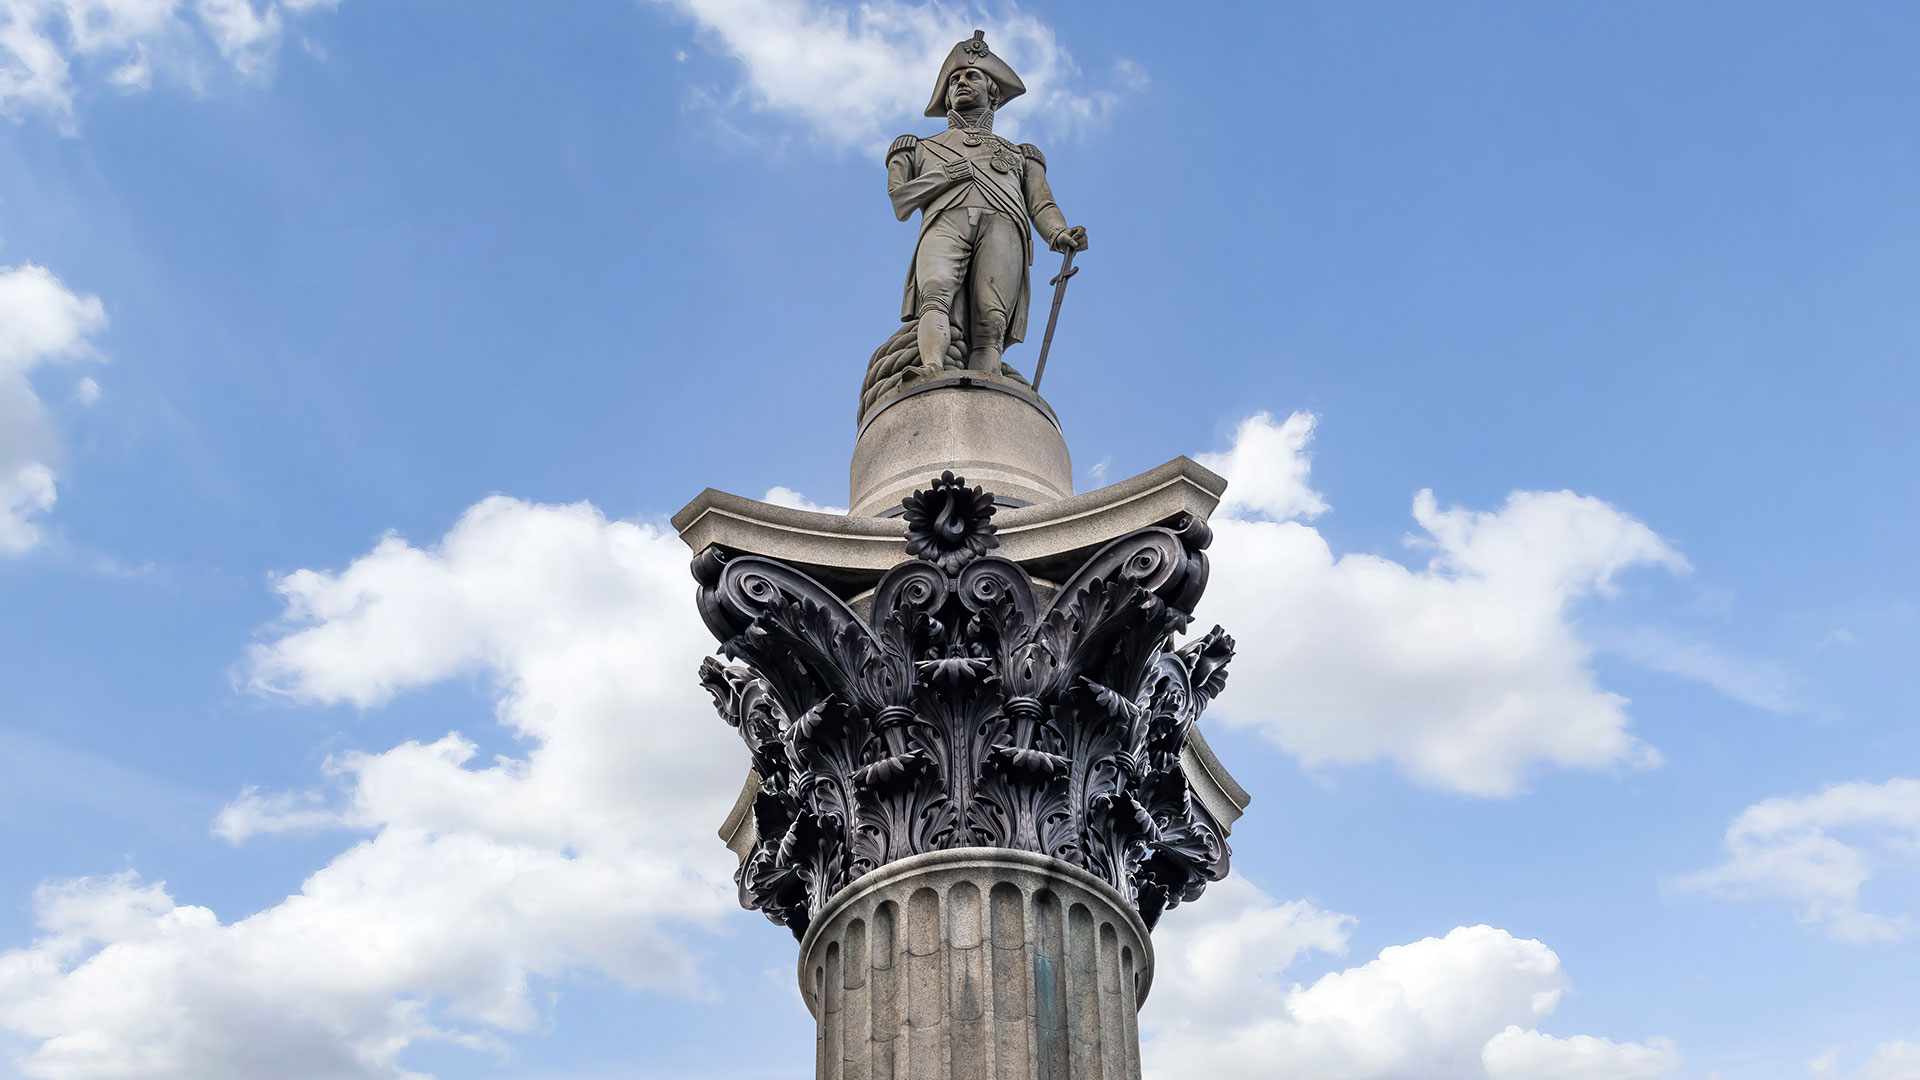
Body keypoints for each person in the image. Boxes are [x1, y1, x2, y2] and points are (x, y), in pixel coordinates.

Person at [887, 31, 1089, 375]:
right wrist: (946, 176)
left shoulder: (1022, 155)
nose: (961, 82)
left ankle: (987, 390)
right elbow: (901, 201)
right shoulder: (917, 147)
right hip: (944, 221)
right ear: (947, 97)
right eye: (954, 80)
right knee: (935, 293)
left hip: (1004, 225)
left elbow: (1041, 203)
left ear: (993, 93)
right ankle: (932, 369)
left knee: (991, 321)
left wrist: (1059, 234)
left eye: (971, 75)